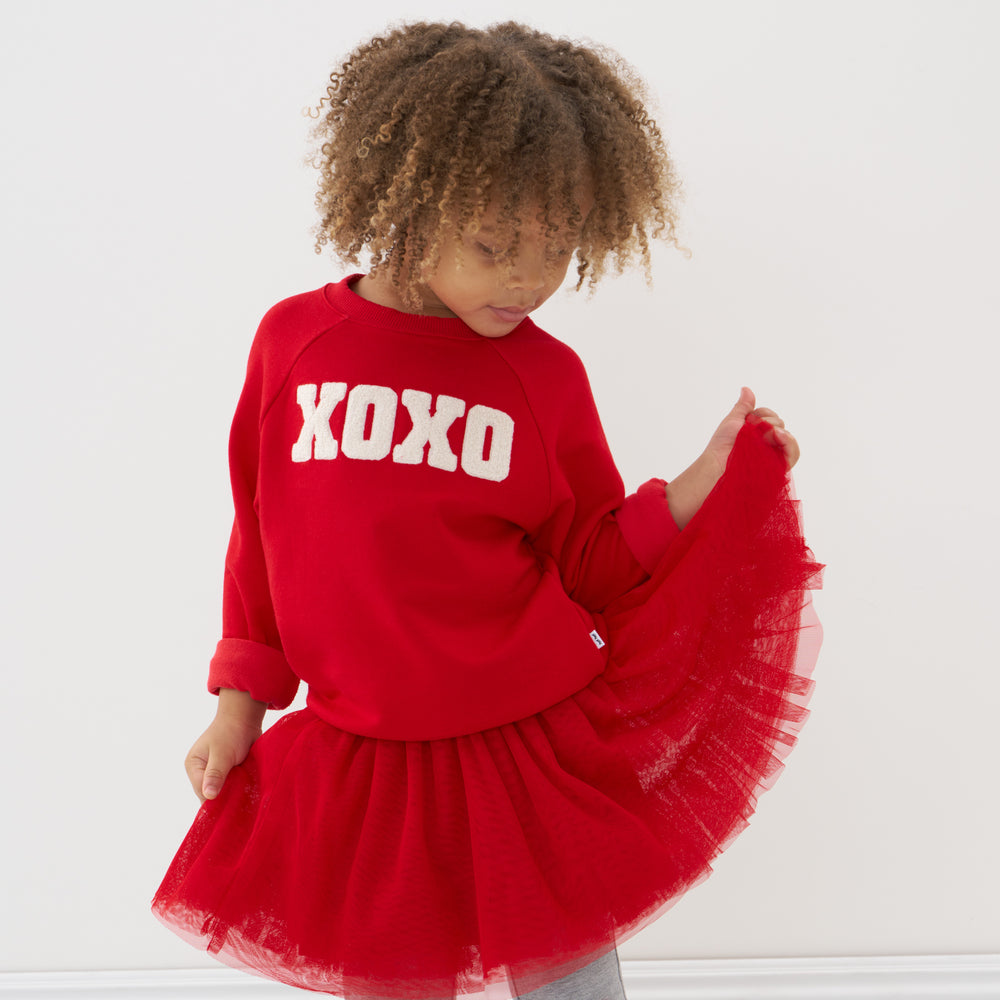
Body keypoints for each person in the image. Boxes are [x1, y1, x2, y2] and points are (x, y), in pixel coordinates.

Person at [152, 21, 822, 1000]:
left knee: (571, 982)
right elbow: (261, 539)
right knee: (390, 977)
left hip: (524, 749)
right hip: (365, 762)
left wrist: (704, 479)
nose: (527, 278)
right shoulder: (293, 346)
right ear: (404, 199)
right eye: (493, 244)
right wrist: (237, 706)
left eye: (558, 249)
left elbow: (592, 557)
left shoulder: (542, 377)